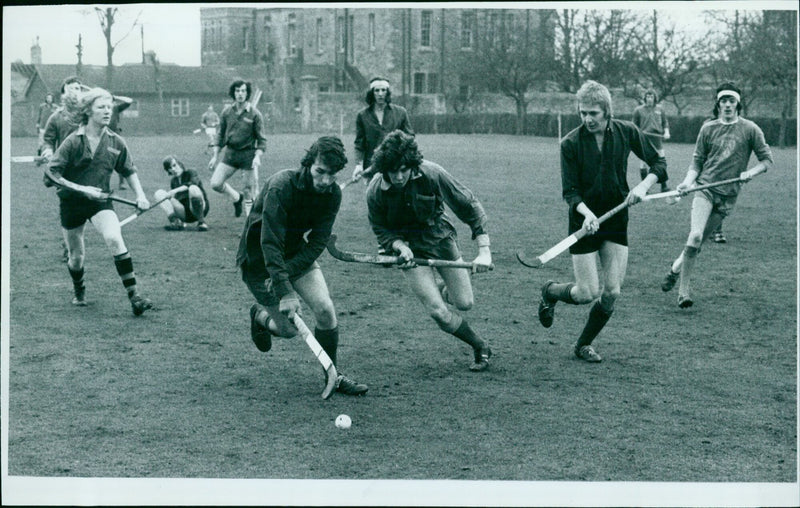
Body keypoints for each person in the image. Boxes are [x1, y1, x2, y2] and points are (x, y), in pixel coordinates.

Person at [537, 80, 667, 363]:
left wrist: (643, 187)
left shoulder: (626, 132)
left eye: (593, 113)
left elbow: (659, 165)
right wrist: (586, 213)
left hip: (617, 215)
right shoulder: (570, 143)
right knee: (586, 292)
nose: (587, 119)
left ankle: (583, 344)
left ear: (606, 111)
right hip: (584, 221)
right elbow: (569, 191)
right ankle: (550, 291)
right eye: (583, 113)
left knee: (612, 292)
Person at [237, 136, 368, 397]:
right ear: (309, 164)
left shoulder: (332, 195)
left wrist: (287, 271)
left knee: (325, 309)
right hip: (259, 262)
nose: (325, 181)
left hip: (294, 255)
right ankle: (260, 317)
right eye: (320, 172)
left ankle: (334, 375)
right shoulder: (281, 186)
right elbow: (269, 242)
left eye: (332, 175)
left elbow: (318, 241)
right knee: (287, 331)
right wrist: (284, 289)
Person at [366, 130, 493, 372]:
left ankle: (444, 286)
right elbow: (381, 229)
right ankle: (480, 345)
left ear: (413, 164)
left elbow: (469, 205)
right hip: (409, 252)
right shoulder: (375, 191)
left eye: (405, 169)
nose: (400, 176)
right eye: (393, 171)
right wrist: (398, 246)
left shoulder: (432, 173)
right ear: (384, 169)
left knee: (464, 303)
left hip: (440, 238)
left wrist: (484, 250)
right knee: (438, 312)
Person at [660, 82, 772, 308]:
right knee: (695, 237)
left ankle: (674, 269)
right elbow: (697, 161)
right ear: (718, 104)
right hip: (705, 189)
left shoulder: (751, 129)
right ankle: (683, 292)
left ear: (738, 104)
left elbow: (766, 161)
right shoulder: (708, 128)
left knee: (697, 245)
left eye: (732, 101)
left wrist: (749, 172)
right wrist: (687, 183)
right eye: (724, 101)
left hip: (728, 196)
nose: (728, 105)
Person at [44, 87, 153, 316]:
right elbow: (51, 174)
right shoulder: (73, 141)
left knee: (114, 236)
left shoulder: (116, 142)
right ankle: (79, 288)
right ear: (88, 111)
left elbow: (129, 170)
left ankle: (135, 297)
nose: (107, 111)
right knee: (76, 257)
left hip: (100, 201)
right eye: (101, 107)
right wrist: (82, 189)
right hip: (72, 202)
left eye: (109, 107)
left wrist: (141, 196)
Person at [41, 76, 84, 263]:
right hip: (64, 170)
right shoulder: (56, 117)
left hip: (86, 167)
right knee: (69, 207)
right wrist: (48, 151)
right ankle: (69, 245)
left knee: (86, 205)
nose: (76, 91)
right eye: (72, 88)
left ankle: (72, 243)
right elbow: (48, 140)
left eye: (79, 88)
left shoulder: (87, 114)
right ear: (64, 92)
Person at [208, 80, 266, 218]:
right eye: (237, 91)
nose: (240, 94)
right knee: (215, 183)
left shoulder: (255, 114)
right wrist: (215, 156)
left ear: (247, 93)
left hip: (248, 156)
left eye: (243, 91)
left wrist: (257, 156)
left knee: (248, 191)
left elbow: (262, 141)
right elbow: (220, 135)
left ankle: (250, 226)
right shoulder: (227, 112)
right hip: (231, 155)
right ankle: (236, 198)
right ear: (233, 93)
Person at [351, 77, 414, 184]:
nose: (380, 94)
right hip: (372, 168)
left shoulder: (401, 112)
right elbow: (359, 143)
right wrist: (358, 165)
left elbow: (409, 138)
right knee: (374, 198)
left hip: (395, 167)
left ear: (388, 92)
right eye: (377, 90)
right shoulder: (362, 115)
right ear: (372, 93)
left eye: (383, 90)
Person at [632, 89, 676, 203]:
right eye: (648, 96)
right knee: (643, 163)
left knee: (661, 161)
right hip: (644, 139)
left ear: (654, 98)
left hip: (657, 139)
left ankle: (664, 186)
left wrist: (666, 132)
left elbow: (665, 122)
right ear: (645, 98)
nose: (649, 99)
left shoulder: (660, 109)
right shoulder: (638, 110)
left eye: (651, 97)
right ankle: (645, 189)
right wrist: (638, 134)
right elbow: (634, 126)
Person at [156, 156, 210, 231]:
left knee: (193, 188)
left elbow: (192, 183)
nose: (173, 169)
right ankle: (176, 222)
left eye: (174, 165)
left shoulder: (191, 172)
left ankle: (201, 222)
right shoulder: (173, 181)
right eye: (170, 168)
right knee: (159, 193)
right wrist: (168, 198)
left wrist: (174, 191)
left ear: (180, 164)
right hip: (184, 212)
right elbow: (177, 199)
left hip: (199, 209)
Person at [109, 95, 134, 190]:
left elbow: (129, 101)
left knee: (119, 157)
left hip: (115, 136)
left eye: (110, 101)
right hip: (102, 137)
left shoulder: (116, 108)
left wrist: (115, 97)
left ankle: (122, 183)